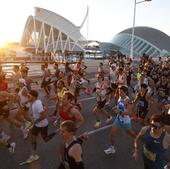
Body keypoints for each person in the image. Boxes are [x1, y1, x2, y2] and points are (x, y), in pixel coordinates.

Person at [104, 85, 136, 154]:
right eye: (119, 92)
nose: (119, 93)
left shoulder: (128, 101)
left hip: (126, 121)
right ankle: (112, 148)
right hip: (118, 119)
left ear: (125, 92)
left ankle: (136, 139)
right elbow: (119, 106)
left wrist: (120, 112)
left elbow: (129, 113)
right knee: (112, 134)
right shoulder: (119, 98)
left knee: (130, 133)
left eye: (121, 92)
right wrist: (116, 108)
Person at [27, 90, 56, 162]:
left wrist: (35, 121)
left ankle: (56, 132)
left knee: (46, 140)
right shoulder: (36, 102)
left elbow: (43, 116)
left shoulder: (37, 104)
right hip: (37, 125)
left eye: (29, 96)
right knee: (33, 138)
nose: (28, 97)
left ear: (33, 96)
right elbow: (45, 107)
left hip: (43, 125)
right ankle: (34, 155)